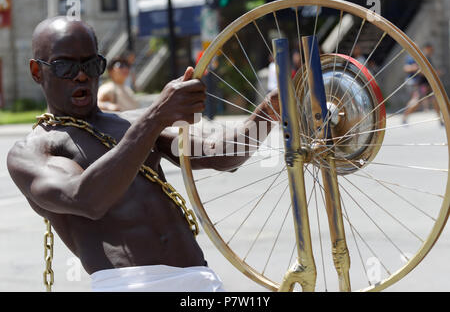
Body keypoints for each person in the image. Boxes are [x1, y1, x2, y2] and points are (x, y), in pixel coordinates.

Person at [6, 17, 280, 292]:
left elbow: (219, 154)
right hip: (130, 285)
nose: (81, 76)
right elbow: (87, 199)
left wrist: (272, 109)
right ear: (36, 71)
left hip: (200, 278)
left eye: (90, 65)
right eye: (65, 66)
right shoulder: (31, 152)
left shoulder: (131, 123)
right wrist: (156, 116)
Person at [402, 43, 441, 124]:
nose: (432, 51)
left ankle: (440, 119)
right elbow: (417, 70)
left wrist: (434, 73)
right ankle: (405, 117)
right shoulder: (415, 58)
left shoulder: (426, 57)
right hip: (420, 83)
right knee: (416, 102)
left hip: (427, 83)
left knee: (435, 100)